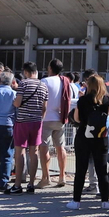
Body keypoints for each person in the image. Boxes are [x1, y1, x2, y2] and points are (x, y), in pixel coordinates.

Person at [68, 73, 109, 211]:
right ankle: (105, 201)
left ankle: (76, 201)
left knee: (81, 169)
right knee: (102, 169)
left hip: (84, 136)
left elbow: (76, 119)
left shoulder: (83, 101)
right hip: (101, 137)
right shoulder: (106, 100)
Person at [10, 63, 47, 194]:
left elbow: (18, 103)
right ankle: (31, 184)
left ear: (25, 72)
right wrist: (39, 119)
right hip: (37, 122)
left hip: (22, 121)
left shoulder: (23, 84)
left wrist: (14, 102)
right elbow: (44, 108)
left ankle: (18, 184)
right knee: (34, 152)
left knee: (20, 152)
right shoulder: (43, 85)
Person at [37, 59, 72, 188]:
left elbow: (40, 99)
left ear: (50, 68)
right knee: (60, 147)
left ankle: (45, 178)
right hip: (60, 117)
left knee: (44, 148)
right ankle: (62, 176)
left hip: (46, 117)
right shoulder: (64, 81)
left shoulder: (44, 81)